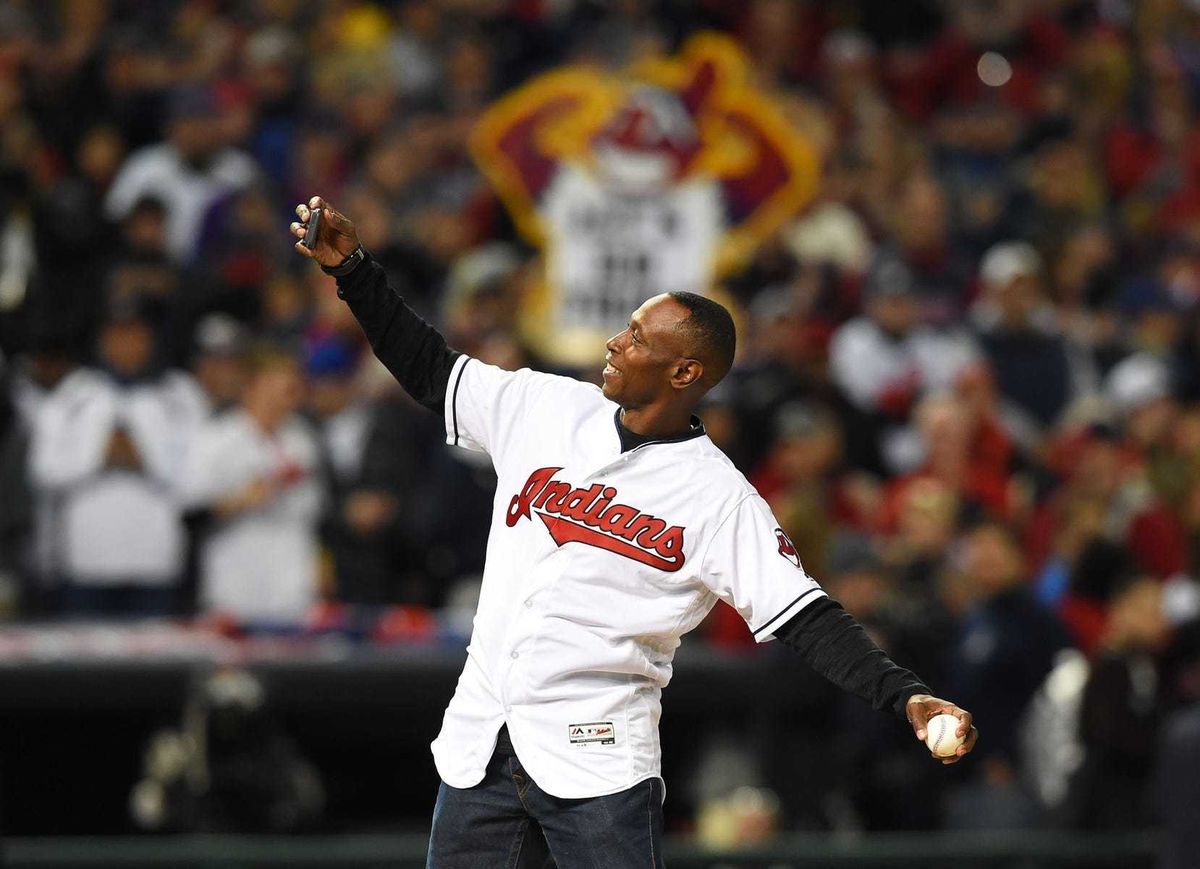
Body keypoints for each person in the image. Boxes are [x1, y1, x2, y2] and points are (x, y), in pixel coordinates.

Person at [289, 196, 978, 868]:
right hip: (482, 742)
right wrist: (353, 271)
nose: (617, 341)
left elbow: (806, 617)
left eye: (641, 338)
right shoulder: (545, 405)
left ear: (684, 372)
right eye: (627, 326)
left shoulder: (718, 496)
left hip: (599, 762)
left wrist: (904, 693)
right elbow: (429, 368)